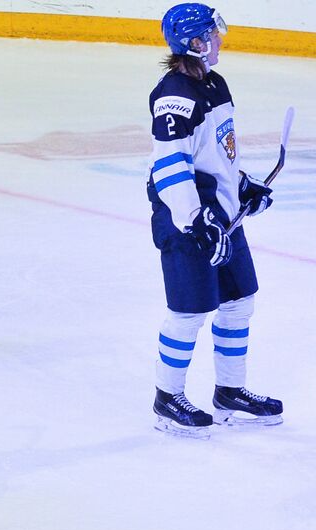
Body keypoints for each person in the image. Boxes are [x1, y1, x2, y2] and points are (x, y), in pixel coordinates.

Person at [148, 4, 282, 438]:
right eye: (213, 33)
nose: (220, 39)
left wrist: (242, 186)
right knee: (188, 312)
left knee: (239, 302)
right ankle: (167, 399)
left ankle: (229, 392)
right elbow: (170, 166)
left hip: (221, 217)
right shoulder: (174, 97)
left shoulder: (214, 83)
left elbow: (216, 155)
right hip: (186, 220)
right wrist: (195, 219)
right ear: (196, 43)